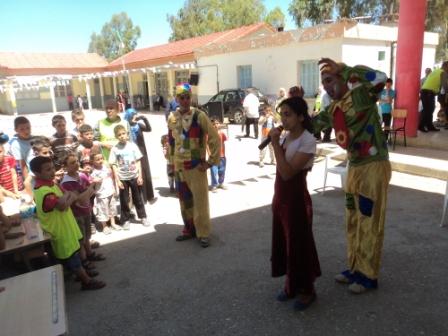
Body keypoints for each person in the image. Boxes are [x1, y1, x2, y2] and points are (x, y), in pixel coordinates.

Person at [314, 58, 391, 294]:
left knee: (369, 220)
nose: (326, 86)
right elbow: (311, 124)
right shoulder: (334, 109)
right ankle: (355, 267)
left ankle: (369, 275)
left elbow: (379, 77)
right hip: (354, 167)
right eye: (323, 82)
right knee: (353, 219)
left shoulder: (362, 95)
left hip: (373, 166)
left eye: (330, 80)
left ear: (342, 78)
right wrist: (288, 123)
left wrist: (346, 69)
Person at [270, 96, 321, 310]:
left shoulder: (308, 140)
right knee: (286, 244)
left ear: (301, 116)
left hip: (297, 200)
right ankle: (291, 285)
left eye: (288, 114)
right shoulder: (286, 137)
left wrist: (274, 145)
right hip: (281, 198)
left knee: (299, 245)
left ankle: (308, 290)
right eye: (282, 114)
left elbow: (288, 172)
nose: (284, 119)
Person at [30, 156, 105, 290]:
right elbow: (63, 205)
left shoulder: (52, 184)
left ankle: (80, 274)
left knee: (75, 252)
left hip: (67, 227)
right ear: (37, 173)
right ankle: (86, 281)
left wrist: (67, 197)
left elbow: (71, 196)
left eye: (53, 167)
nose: (53, 171)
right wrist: (67, 197)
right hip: (59, 231)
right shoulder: (43, 190)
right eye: (48, 170)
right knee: (71, 258)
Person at [167, 83, 220, 248]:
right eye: (181, 97)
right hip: (179, 167)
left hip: (196, 167)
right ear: (176, 99)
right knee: (185, 201)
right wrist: (170, 163)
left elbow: (214, 138)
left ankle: (203, 233)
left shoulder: (199, 116)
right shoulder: (172, 117)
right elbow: (171, 142)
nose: (185, 100)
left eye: (187, 97)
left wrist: (210, 162)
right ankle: (189, 229)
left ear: (191, 98)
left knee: (200, 201)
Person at [109, 124, 150, 229]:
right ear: (116, 136)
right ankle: (125, 219)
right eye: (119, 135)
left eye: (123, 134)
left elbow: (138, 161)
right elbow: (113, 164)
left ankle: (143, 216)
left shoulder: (132, 146)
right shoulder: (115, 149)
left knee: (138, 198)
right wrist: (117, 180)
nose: (122, 136)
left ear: (127, 134)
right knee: (124, 199)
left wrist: (140, 176)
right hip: (123, 178)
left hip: (134, 176)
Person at [123, 108, 155, 203]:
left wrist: (144, 119)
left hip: (142, 152)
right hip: (130, 153)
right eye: (132, 115)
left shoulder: (138, 126)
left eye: (135, 115)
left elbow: (149, 129)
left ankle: (147, 196)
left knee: (145, 173)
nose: (134, 117)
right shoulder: (125, 127)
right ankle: (137, 198)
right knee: (134, 174)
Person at [90, 151, 120, 234]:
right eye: (97, 159)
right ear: (92, 161)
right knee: (103, 210)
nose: (100, 161)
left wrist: (114, 188)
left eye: (101, 158)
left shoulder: (105, 167)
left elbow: (111, 177)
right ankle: (104, 226)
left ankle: (113, 223)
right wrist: (94, 181)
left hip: (110, 191)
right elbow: (89, 181)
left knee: (112, 208)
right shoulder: (93, 171)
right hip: (101, 193)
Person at [419, 61, 448, 132]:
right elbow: (445, 85)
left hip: (426, 92)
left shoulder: (436, 71)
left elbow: (439, 85)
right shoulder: (443, 72)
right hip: (428, 93)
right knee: (427, 110)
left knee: (430, 109)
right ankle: (421, 126)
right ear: (446, 66)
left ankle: (429, 126)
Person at [8, 116, 33, 194]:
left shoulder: (34, 139)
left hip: (40, 171)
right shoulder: (16, 145)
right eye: (22, 129)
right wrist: (28, 183)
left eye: (28, 128)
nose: (26, 131)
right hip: (31, 176)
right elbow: (22, 165)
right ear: (16, 130)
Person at [209, 118, 227, 192]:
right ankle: (214, 185)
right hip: (213, 156)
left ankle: (221, 183)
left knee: (222, 170)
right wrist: (209, 153)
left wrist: (224, 154)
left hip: (222, 156)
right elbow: (207, 144)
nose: (216, 125)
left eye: (217, 123)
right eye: (214, 124)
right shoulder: (209, 134)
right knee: (214, 171)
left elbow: (223, 143)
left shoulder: (222, 133)